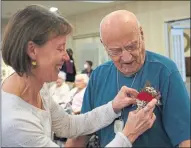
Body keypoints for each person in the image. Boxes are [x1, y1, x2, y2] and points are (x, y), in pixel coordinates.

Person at [1, 5, 157, 147]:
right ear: (32, 50)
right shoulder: (15, 123)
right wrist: (129, 134)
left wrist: (113, 106)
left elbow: (68, 125)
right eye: (60, 48)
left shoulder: (37, 88)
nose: (67, 57)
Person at [68, 10, 190, 147]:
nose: (127, 58)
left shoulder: (164, 71)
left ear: (141, 34)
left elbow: (185, 138)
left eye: (132, 46)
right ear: (104, 45)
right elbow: (82, 132)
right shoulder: (99, 75)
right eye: (116, 51)